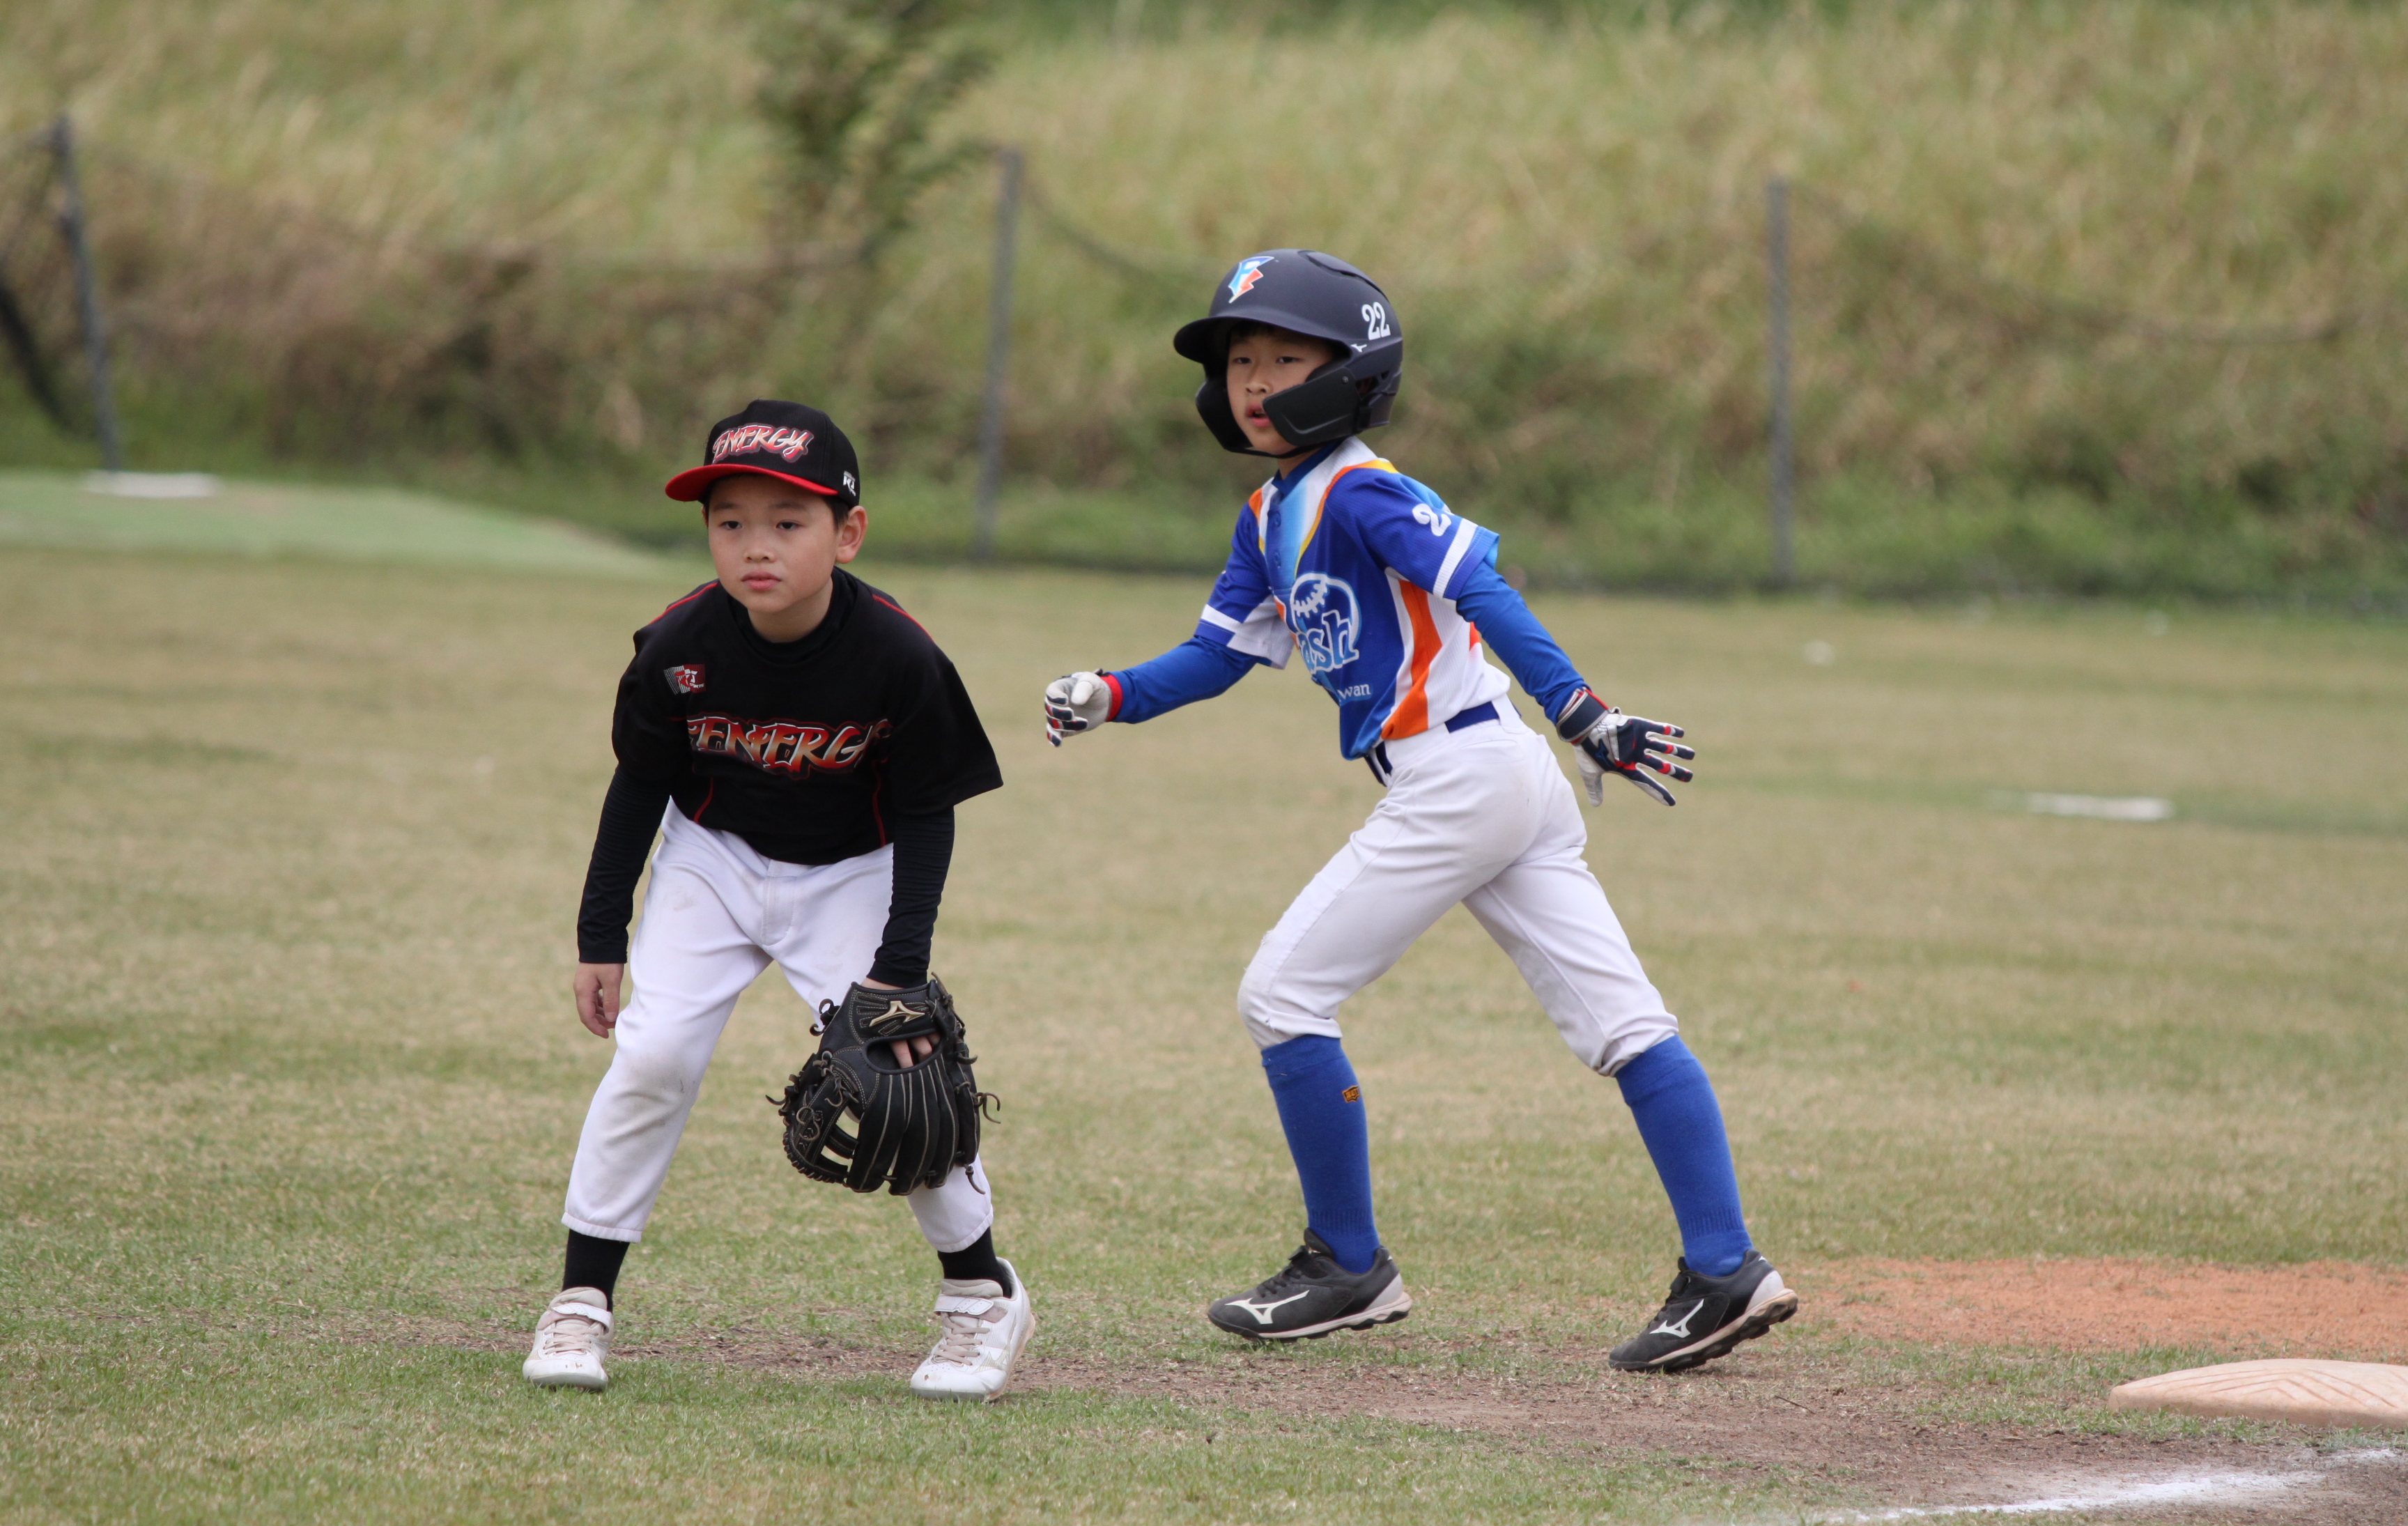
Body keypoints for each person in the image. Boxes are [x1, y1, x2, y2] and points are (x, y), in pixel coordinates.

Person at [1041, 252, 1795, 1372]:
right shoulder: (1271, 513)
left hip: (1463, 776)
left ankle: (1348, 1266)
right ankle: (1727, 1266)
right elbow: (1218, 656)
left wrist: (1586, 713)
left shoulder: (1362, 489)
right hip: (1490, 776)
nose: (1255, 382)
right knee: (1623, 1024)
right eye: (1240, 362)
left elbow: (1480, 588)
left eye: (1284, 359)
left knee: (1282, 995)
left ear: (1352, 374)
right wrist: (1112, 695)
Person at [524, 399, 1032, 1399]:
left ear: (848, 533)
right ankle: (581, 1300)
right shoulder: (677, 645)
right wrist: (600, 934)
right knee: (654, 1058)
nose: (756, 546)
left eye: (789, 522)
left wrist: (900, 968)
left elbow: (927, 816)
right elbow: (637, 788)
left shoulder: (898, 656)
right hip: (712, 861)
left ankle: (982, 1296)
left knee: (903, 1073)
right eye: (731, 522)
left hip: (854, 869)